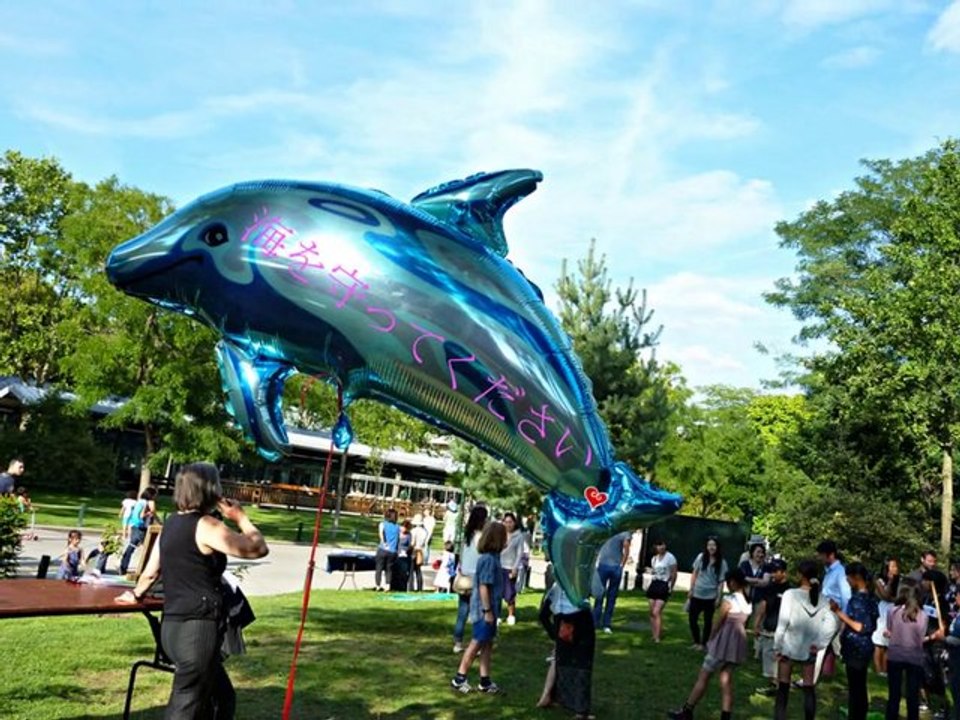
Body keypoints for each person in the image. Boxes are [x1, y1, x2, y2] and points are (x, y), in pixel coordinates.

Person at [115, 462, 269, 719]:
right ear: (210, 490)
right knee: (185, 706)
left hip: (172, 629)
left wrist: (135, 594)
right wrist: (242, 518)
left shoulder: (171, 524)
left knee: (222, 697)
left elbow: (151, 572)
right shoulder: (206, 526)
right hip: (196, 630)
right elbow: (257, 548)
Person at [668, 568, 752, 720]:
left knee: (704, 676)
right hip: (737, 644)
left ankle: (687, 710)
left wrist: (710, 639)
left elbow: (718, 622)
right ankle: (725, 715)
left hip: (724, 642)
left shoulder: (730, 599)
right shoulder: (747, 601)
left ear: (732, 582)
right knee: (726, 679)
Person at [773, 559, 838, 720]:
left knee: (783, 686)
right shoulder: (823, 599)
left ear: (801, 575)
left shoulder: (790, 595)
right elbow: (832, 623)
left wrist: (777, 645)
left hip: (789, 645)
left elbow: (783, 622)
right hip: (810, 647)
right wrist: (820, 643)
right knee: (809, 687)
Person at [450, 520, 507, 695]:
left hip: (490, 608)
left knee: (487, 644)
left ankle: (485, 680)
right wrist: (487, 611)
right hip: (484, 610)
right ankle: (459, 678)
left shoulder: (493, 558)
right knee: (476, 643)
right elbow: (484, 586)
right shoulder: (488, 560)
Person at [538, 571, 602, 720]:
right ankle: (580, 709)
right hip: (580, 616)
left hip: (561, 617)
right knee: (582, 663)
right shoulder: (587, 566)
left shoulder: (559, 566)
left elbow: (545, 610)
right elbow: (598, 592)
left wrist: (553, 633)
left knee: (562, 659)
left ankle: (555, 697)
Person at [885, 582, 941, 720]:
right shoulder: (923, 616)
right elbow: (920, 639)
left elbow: (889, 631)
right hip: (914, 658)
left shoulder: (893, 611)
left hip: (895, 656)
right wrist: (933, 636)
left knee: (894, 694)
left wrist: (893, 635)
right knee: (912, 695)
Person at [831, 562, 878, 720]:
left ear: (856, 578)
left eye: (848, 578)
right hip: (862, 647)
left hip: (857, 647)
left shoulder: (860, 600)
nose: (847, 582)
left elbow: (860, 626)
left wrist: (839, 613)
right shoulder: (870, 597)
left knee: (856, 688)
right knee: (859, 686)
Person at [453, 505, 489, 652]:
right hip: (476, 577)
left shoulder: (467, 535)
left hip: (464, 576)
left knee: (462, 611)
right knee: (478, 613)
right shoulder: (481, 537)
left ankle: (457, 643)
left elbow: (461, 556)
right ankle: (477, 643)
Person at [753, 558, 790, 697]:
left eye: (776, 571)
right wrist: (757, 625)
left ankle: (778, 685)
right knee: (768, 656)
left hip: (783, 630)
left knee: (780, 659)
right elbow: (763, 606)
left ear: (784, 572)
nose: (773, 574)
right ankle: (774, 684)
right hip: (768, 627)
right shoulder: (769, 587)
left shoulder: (789, 590)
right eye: (771, 571)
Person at [687, 536, 728, 651]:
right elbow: (694, 573)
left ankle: (703, 644)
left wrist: (719, 597)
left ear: (718, 547)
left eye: (714, 545)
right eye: (709, 545)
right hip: (697, 593)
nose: (711, 547)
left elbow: (721, 582)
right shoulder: (700, 557)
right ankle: (696, 641)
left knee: (707, 621)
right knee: (692, 619)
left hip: (710, 596)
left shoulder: (722, 562)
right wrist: (691, 589)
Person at [593, 530, 631, 634]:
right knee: (601, 594)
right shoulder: (606, 529)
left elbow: (626, 548)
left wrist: (621, 565)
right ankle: (597, 621)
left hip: (614, 566)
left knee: (610, 596)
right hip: (604, 565)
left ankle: (605, 623)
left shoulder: (623, 531)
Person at [120, 487, 158, 575]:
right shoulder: (148, 503)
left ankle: (123, 566)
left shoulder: (139, 501)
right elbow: (143, 515)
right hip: (141, 526)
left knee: (131, 546)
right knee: (149, 548)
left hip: (134, 525)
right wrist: (150, 514)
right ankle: (148, 569)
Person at [646, 538, 678, 643]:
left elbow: (674, 573)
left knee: (657, 611)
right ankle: (654, 633)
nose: (661, 547)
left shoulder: (670, 558)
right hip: (654, 584)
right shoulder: (654, 559)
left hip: (664, 585)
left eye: (662, 545)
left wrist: (671, 587)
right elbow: (654, 572)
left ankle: (657, 637)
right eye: (658, 545)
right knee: (651, 611)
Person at [874, 556, 901, 675]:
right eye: (893, 566)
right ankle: (878, 669)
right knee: (879, 642)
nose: (895, 569)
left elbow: (901, 597)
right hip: (883, 611)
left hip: (895, 611)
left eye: (896, 566)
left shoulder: (900, 580)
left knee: (889, 643)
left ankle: (886, 670)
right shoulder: (879, 580)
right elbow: (885, 596)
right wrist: (890, 581)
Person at [500, 512, 523, 625]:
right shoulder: (499, 534)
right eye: (506, 522)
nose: (508, 525)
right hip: (499, 566)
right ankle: (497, 616)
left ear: (514, 523)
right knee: (497, 592)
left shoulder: (518, 536)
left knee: (510, 593)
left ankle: (511, 615)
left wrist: (515, 568)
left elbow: (519, 554)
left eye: (510, 522)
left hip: (510, 567)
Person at [374, 508, 399, 592]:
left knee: (379, 568)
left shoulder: (383, 524)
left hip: (383, 549)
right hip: (392, 551)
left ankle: (378, 585)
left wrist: (384, 543)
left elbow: (381, 535)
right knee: (389, 569)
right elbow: (398, 538)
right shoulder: (397, 527)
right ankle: (387, 585)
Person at [409, 514, 428, 592]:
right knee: (418, 570)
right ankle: (420, 587)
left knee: (411, 570)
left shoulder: (413, 531)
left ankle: (411, 587)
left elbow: (412, 542)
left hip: (414, 550)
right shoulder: (424, 532)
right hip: (420, 550)